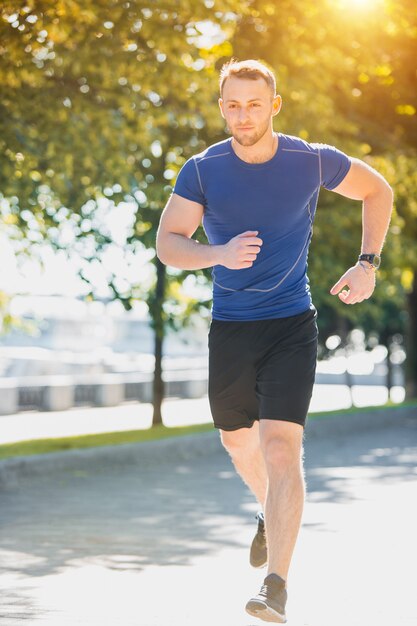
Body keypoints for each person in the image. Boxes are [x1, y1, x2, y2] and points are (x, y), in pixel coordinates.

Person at [156, 59, 393, 623]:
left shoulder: (308, 160)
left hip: (292, 324)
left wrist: (368, 263)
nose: (243, 115)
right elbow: (169, 242)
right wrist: (215, 253)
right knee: (239, 442)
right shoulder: (203, 170)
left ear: (274, 105)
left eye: (254, 104)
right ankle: (267, 509)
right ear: (221, 107)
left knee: (283, 448)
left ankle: (276, 586)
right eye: (233, 105)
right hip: (232, 329)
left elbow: (377, 191)